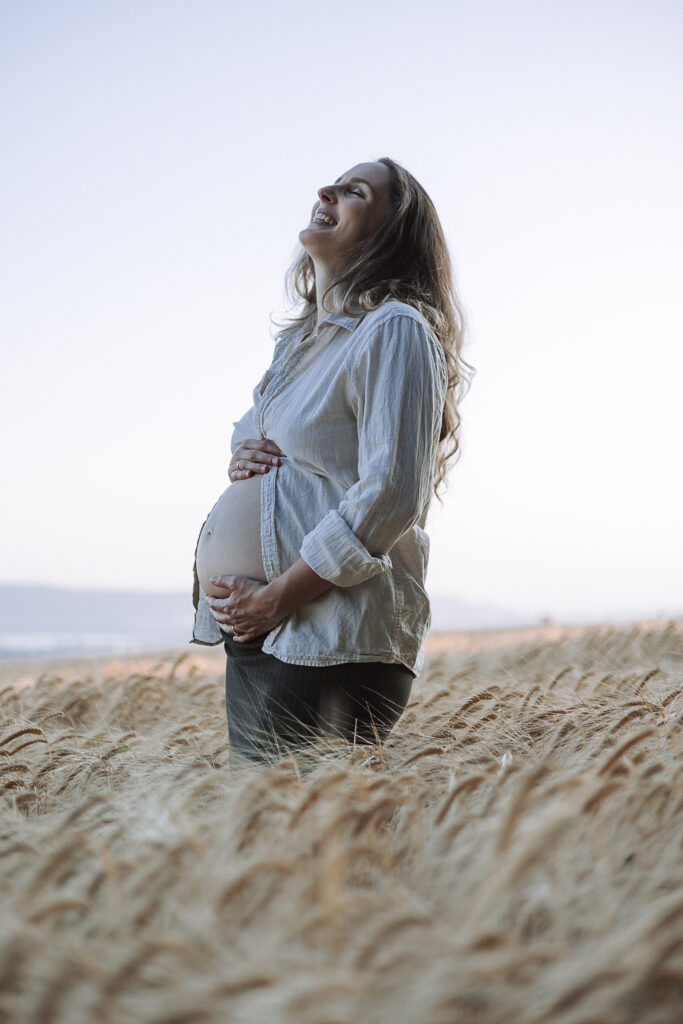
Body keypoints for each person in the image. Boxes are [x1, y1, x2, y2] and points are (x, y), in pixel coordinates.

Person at [191, 157, 473, 769]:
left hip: (328, 631)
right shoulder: (299, 347)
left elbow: (391, 494)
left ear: (392, 230)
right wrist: (243, 455)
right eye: (331, 185)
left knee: (291, 842)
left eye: (354, 191)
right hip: (264, 629)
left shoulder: (393, 329)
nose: (326, 192)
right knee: (268, 846)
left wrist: (279, 597)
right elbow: (256, 435)